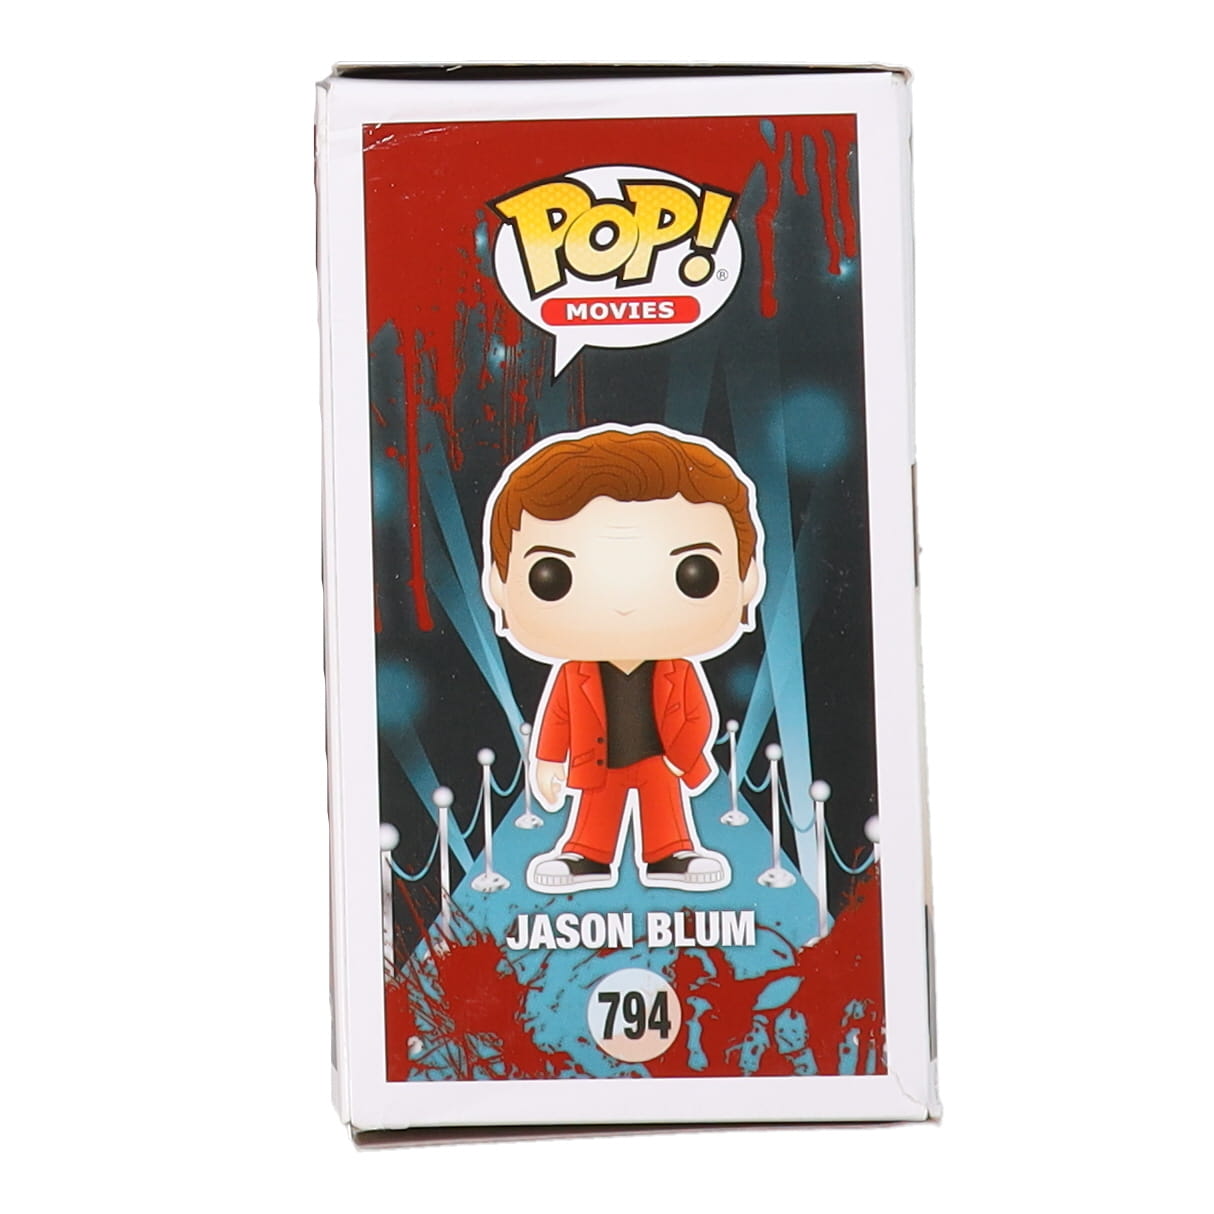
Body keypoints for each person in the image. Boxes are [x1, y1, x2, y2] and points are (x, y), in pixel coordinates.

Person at [481, 423, 765, 891]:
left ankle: (671, 854)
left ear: (747, 580)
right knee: (595, 811)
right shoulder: (575, 671)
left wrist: (684, 753)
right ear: (499, 585)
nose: (625, 604)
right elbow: (557, 718)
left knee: (665, 811)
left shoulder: (678, 668)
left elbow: (697, 715)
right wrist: (547, 761)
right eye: (552, 576)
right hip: (598, 758)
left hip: (661, 759)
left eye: (694, 573)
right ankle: (585, 856)